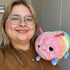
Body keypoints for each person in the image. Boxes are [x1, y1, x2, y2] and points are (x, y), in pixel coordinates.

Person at [0, 0, 60, 70]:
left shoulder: (47, 50)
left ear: (34, 25)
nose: (23, 24)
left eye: (28, 19)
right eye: (15, 18)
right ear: (4, 25)